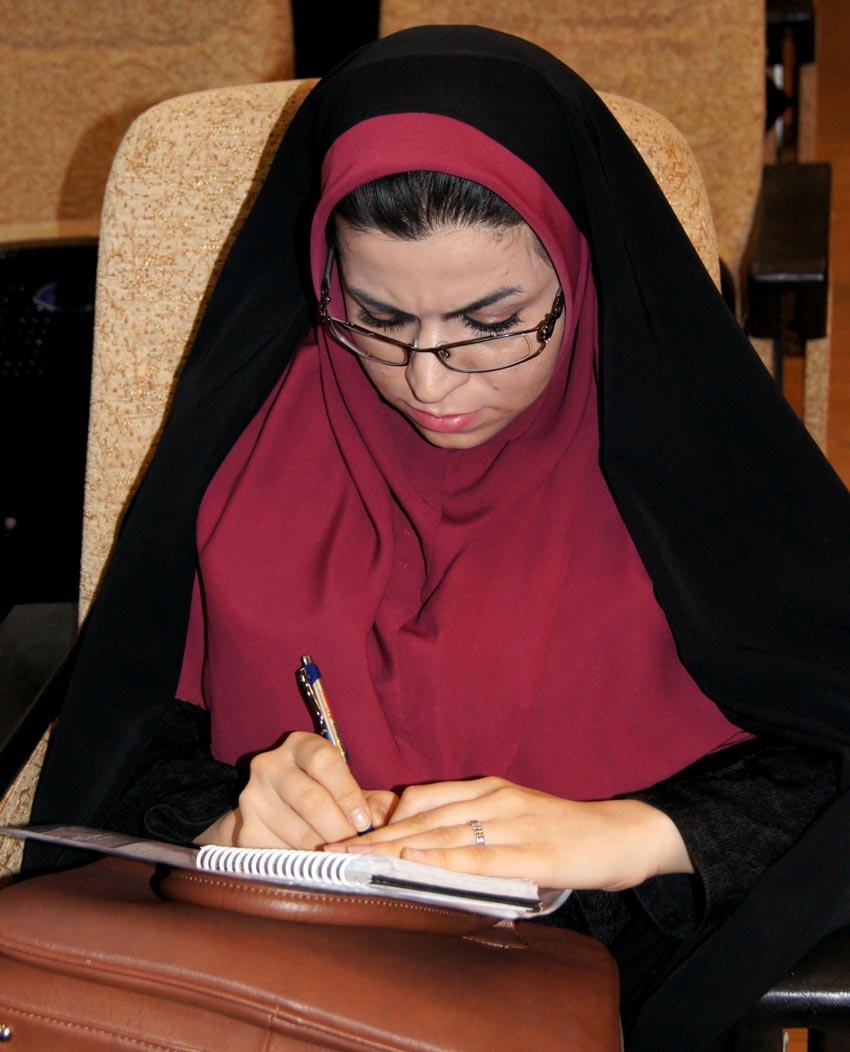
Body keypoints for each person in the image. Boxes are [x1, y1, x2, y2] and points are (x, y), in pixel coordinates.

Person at [23, 25, 850, 1052]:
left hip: (603, 991)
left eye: (491, 324)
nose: (427, 381)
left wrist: (636, 832)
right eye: (375, 317)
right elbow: (124, 748)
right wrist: (231, 817)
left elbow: (826, 739)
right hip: (265, 985)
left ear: (582, 272)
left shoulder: (694, 465)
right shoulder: (248, 451)